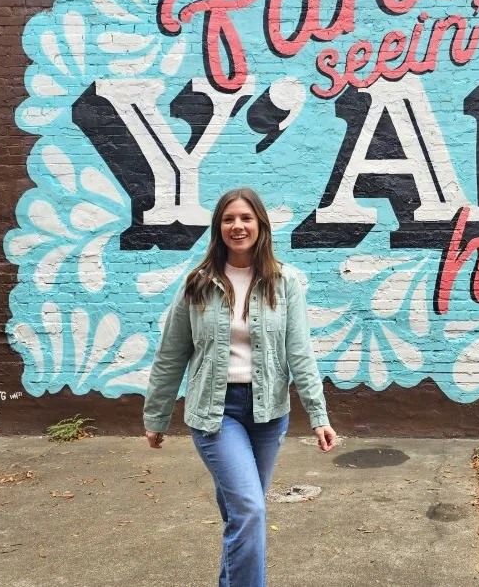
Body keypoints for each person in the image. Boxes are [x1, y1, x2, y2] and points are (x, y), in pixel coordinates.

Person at [143, 186, 336, 587]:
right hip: (215, 414)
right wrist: (156, 415)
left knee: (240, 514)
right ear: (218, 228)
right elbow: (171, 354)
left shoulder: (285, 284)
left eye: (246, 218)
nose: (238, 226)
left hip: (268, 414)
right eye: (229, 219)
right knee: (249, 509)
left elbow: (300, 353)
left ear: (260, 226)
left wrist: (319, 415)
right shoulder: (197, 283)